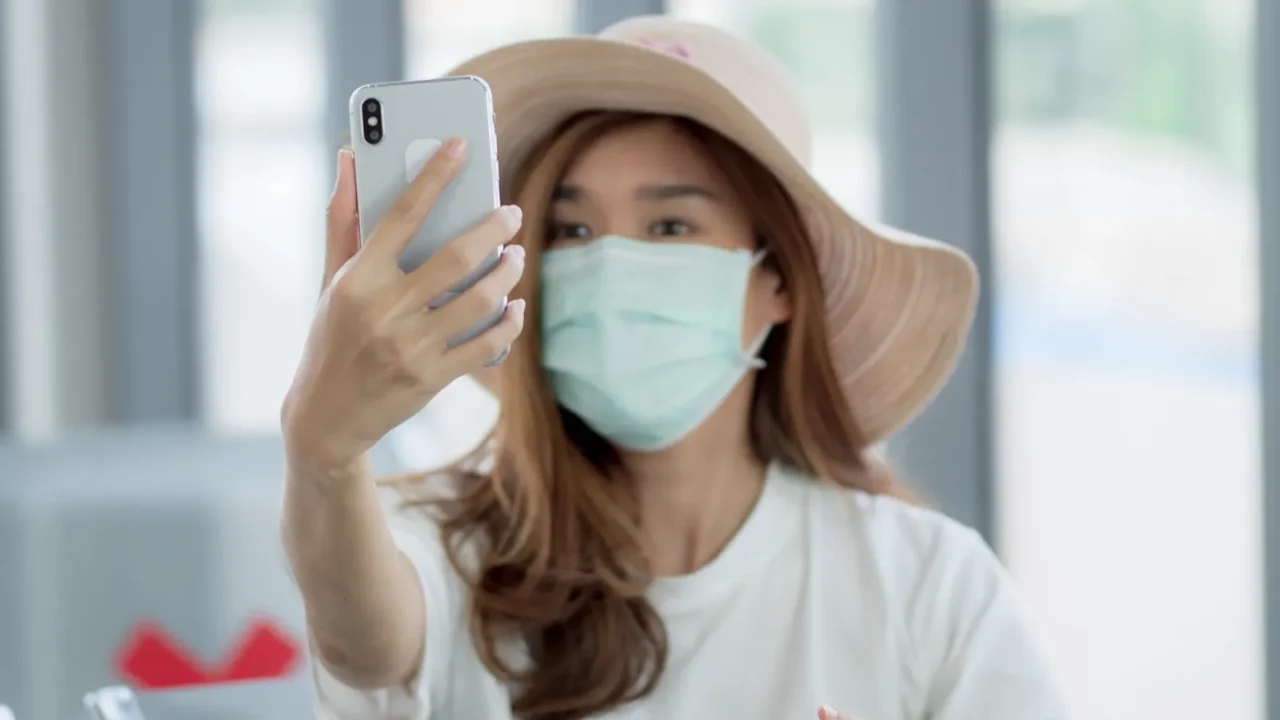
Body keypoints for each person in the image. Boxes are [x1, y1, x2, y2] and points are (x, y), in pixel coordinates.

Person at [280, 15, 1067, 720]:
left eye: (669, 224)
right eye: (573, 231)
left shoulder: (926, 584)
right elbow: (365, 649)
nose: (613, 265)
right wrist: (323, 453)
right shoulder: (440, 547)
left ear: (778, 280)